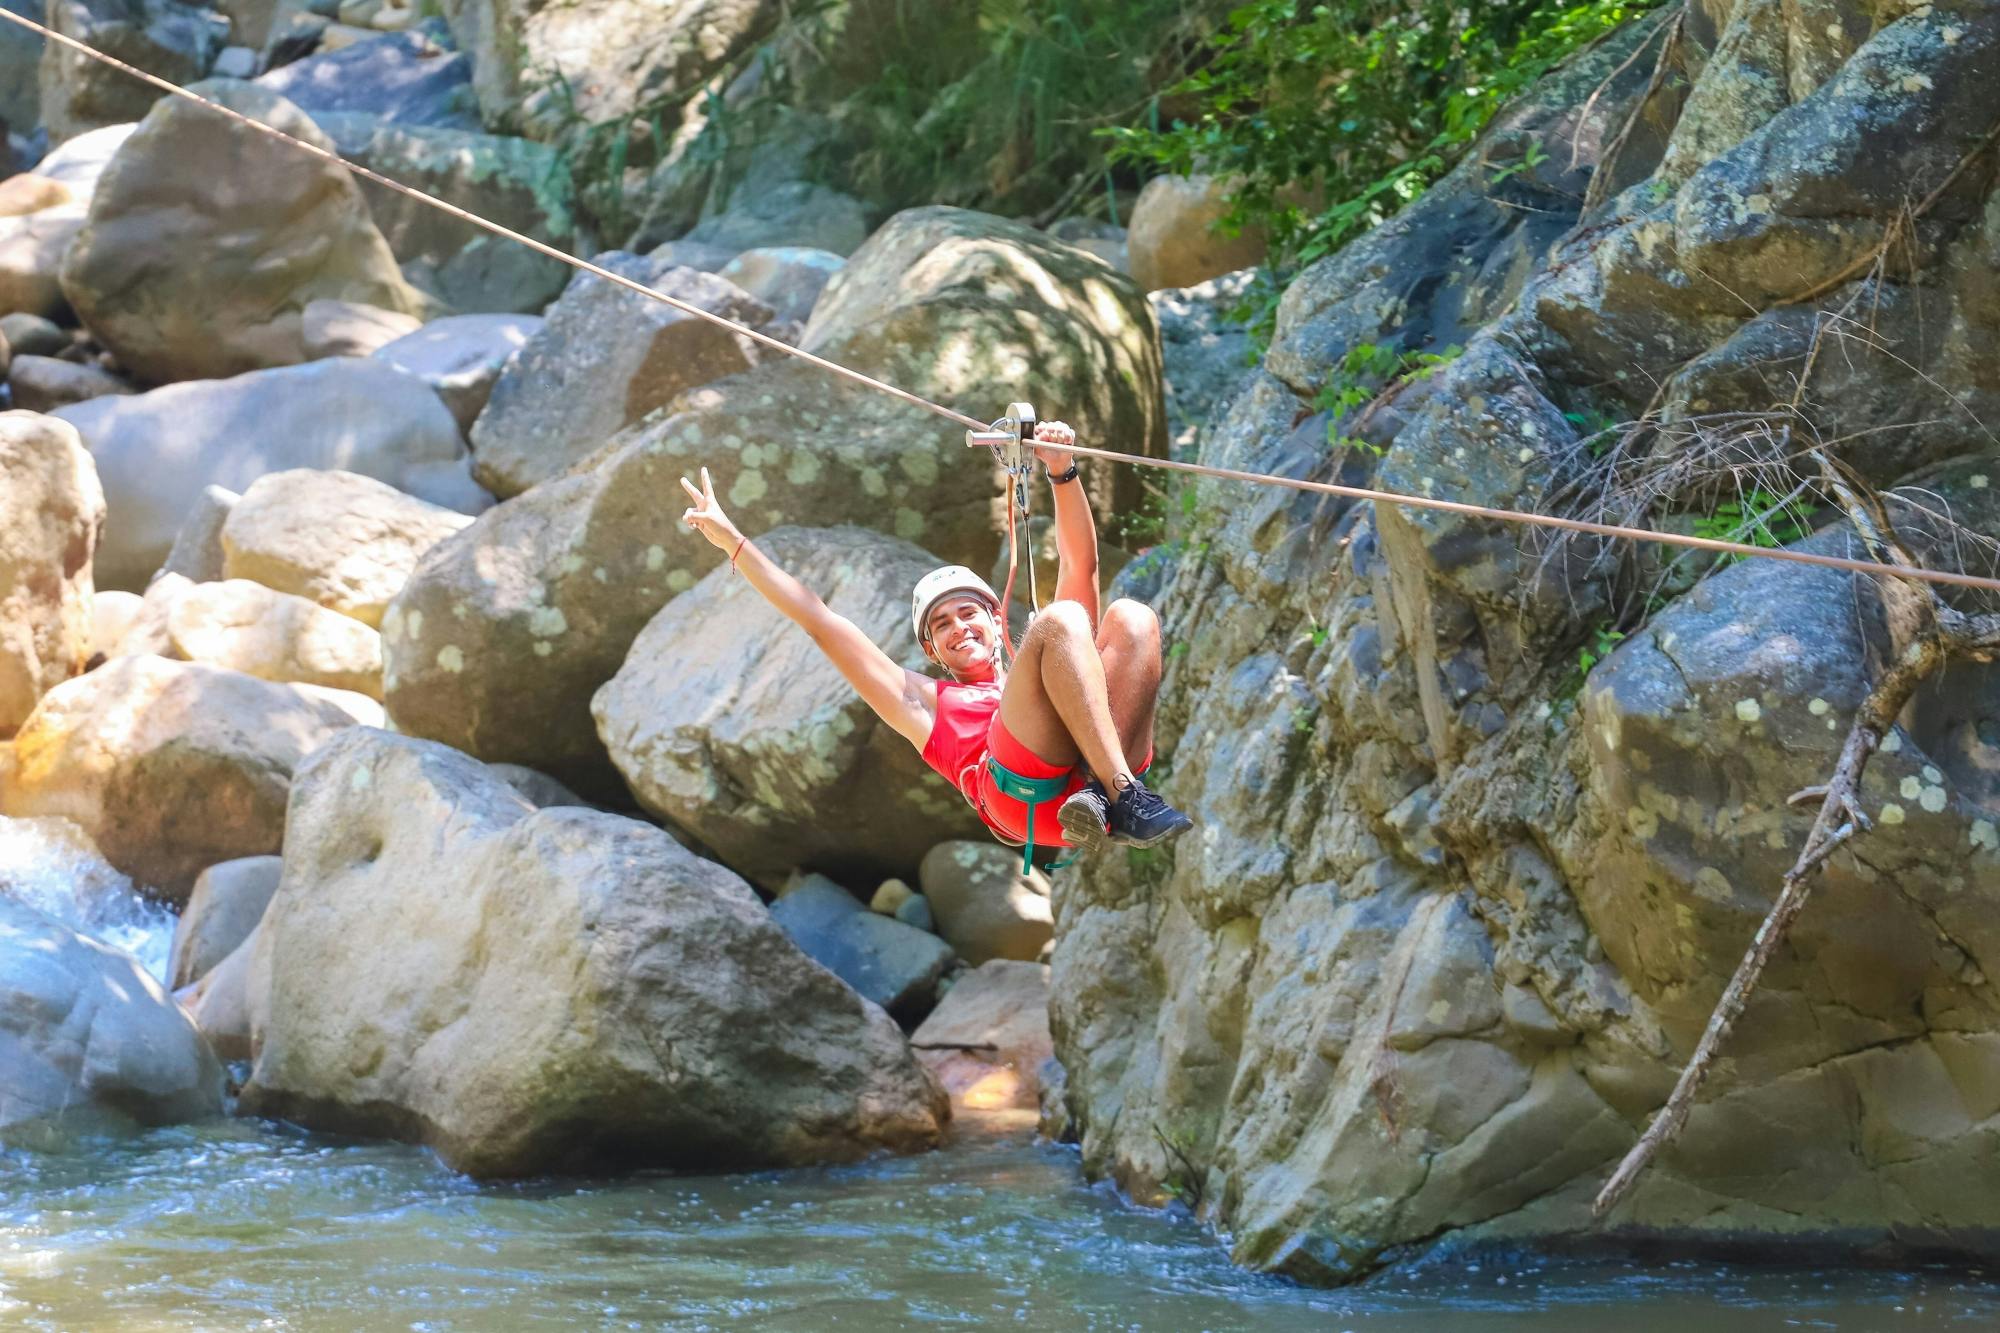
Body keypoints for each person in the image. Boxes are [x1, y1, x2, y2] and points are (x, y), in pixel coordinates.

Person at [677, 420, 1193, 860]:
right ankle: (1125, 795)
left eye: (967, 613)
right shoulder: (923, 701)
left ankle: (1108, 793)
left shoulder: (1056, 664)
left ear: (995, 620)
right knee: (1061, 619)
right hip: (1025, 799)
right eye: (941, 625)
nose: (958, 627)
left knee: (1132, 617)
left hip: (1084, 792)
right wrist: (734, 543)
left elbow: (1083, 564)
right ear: (932, 652)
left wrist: (1062, 469)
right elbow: (822, 621)